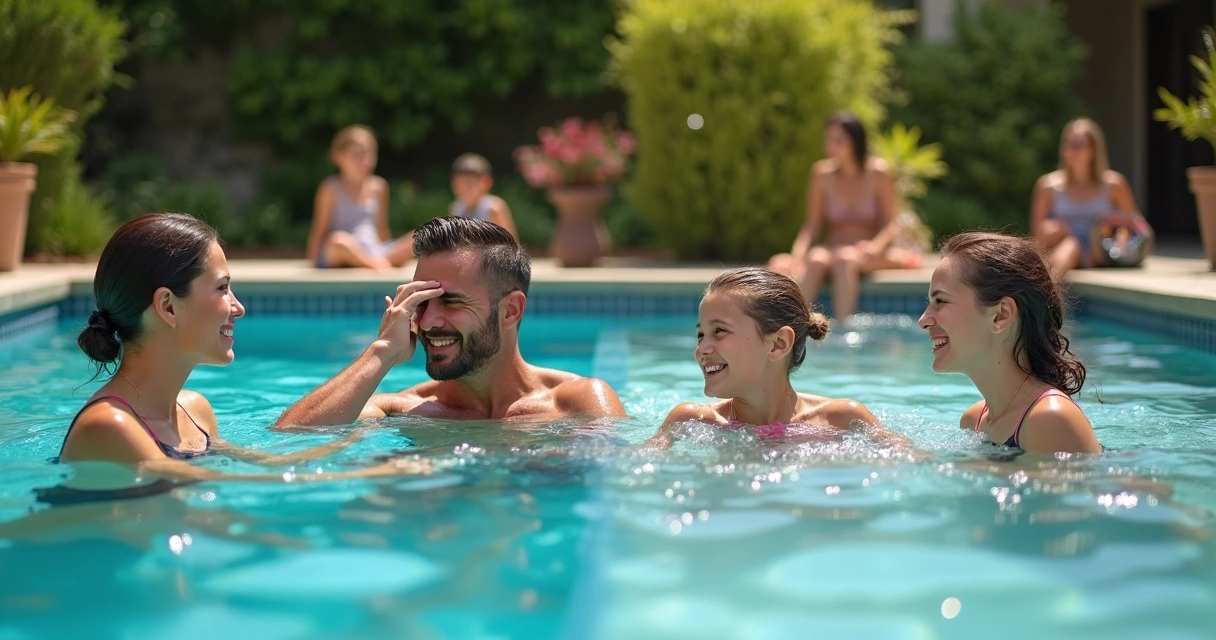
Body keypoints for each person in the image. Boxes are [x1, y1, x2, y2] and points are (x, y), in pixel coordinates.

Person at [51, 213, 428, 504]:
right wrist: (379, 475)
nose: (239, 307)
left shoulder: (193, 412)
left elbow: (278, 464)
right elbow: (243, 486)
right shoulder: (109, 426)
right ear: (167, 306)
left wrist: (363, 437)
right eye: (222, 288)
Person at [275, 216, 626, 426]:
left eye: (450, 301)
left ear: (511, 310)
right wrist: (380, 351)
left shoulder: (573, 403)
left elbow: (619, 483)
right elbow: (287, 449)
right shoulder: (403, 411)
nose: (427, 321)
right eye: (421, 301)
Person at [644, 267, 907, 449]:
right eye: (700, 335)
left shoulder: (842, 420)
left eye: (719, 331)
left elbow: (915, 466)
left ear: (778, 344)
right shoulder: (690, 421)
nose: (702, 348)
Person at [918, 231, 1102, 454]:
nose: (923, 320)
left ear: (1001, 315)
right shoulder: (974, 421)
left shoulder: (1051, 418)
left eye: (941, 301)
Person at [768, 111, 920, 321]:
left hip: (869, 251)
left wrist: (874, 247)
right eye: (828, 139)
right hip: (834, 248)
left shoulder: (878, 173)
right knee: (816, 259)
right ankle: (797, 324)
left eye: (838, 140)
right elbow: (812, 225)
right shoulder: (821, 174)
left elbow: (891, 223)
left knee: (845, 259)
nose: (831, 146)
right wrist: (798, 254)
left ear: (856, 141)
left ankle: (843, 328)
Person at [1030, 118, 1144, 281]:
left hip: (1102, 252)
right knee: (1071, 246)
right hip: (1063, 249)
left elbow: (1139, 230)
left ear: (1093, 150)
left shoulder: (1114, 184)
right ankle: (1045, 291)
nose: (1070, 150)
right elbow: (1035, 240)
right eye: (1067, 144)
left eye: (1077, 145)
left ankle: (1042, 294)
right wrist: (1053, 229)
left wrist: (1117, 222)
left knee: (1075, 247)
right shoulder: (1047, 186)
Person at [307, 125, 415, 271]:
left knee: (420, 236)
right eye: (358, 154)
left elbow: (381, 228)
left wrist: (392, 249)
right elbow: (320, 229)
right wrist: (313, 261)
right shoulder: (330, 188)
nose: (365, 160)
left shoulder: (379, 186)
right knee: (338, 241)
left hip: (374, 250)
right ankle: (375, 264)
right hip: (341, 251)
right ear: (339, 157)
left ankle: (374, 262)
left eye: (369, 154)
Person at [449, 153, 518, 240]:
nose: (462, 189)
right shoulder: (457, 207)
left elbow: (511, 245)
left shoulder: (493, 209)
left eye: (468, 184)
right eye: (458, 184)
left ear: (485, 183)